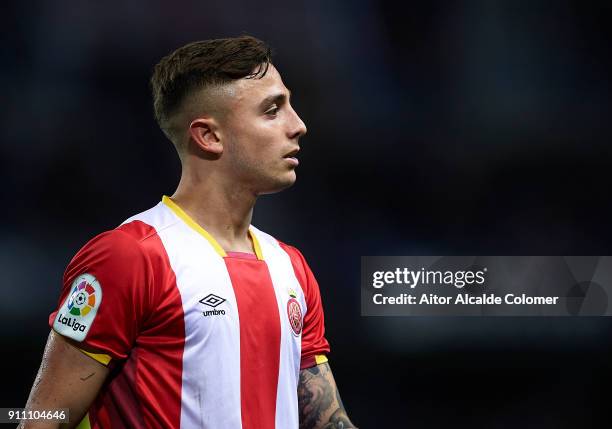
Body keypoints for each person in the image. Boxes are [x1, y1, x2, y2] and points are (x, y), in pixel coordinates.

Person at [21, 35, 357, 429]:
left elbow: (329, 422)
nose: (298, 125)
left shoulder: (292, 269)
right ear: (209, 136)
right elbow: (44, 419)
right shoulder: (130, 257)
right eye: (272, 111)